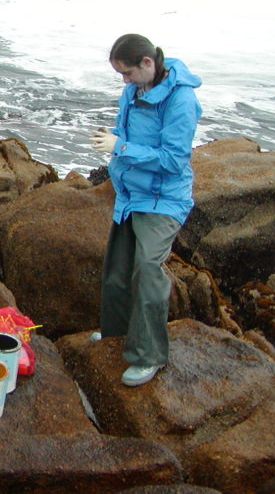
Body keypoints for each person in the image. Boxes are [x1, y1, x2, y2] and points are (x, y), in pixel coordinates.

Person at [89, 34, 202, 387]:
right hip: (130, 194)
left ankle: (148, 355)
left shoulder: (181, 100)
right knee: (117, 269)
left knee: (148, 270)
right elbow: (125, 132)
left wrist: (120, 146)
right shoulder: (133, 91)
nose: (123, 81)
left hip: (163, 198)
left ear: (147, 63)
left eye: (127, 73)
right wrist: (111, 139)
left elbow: (172, 160)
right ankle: (115, 333)